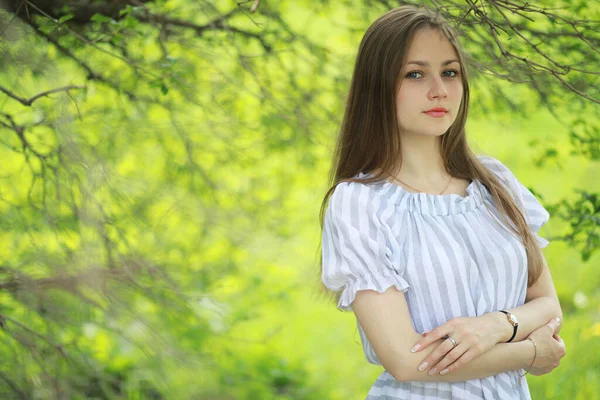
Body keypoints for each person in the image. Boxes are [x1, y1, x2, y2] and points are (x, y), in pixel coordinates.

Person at [318, 5, 566, 399]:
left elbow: (548, 305)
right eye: (415, 74)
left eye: (449, 72)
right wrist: (531, 350)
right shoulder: (360, 204)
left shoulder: (494, 182)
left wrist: (495, 326)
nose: (440, 90)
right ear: (378, 85)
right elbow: (406, 360)